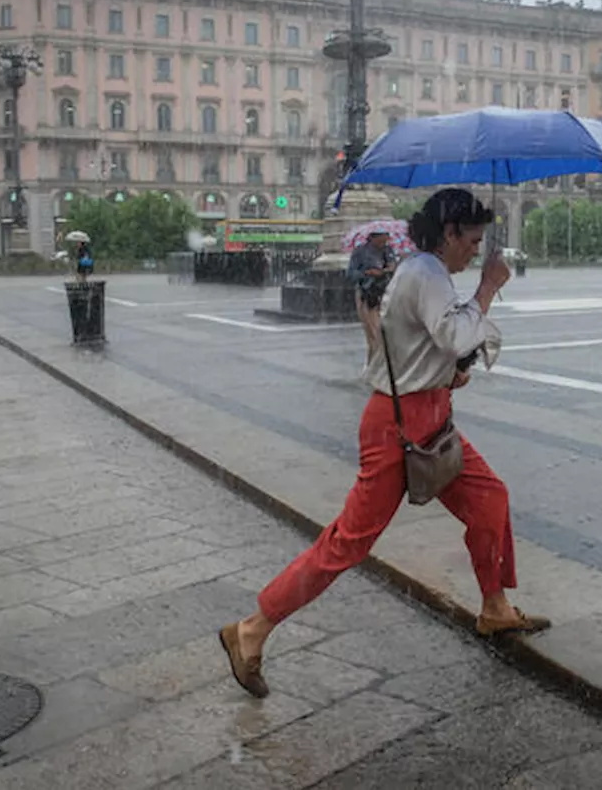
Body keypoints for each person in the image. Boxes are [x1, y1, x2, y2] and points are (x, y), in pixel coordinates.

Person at [219, 188, 548, 699]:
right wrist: (487, 288)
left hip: (428, 417)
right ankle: (252, 628)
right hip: (398, 428)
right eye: (473, 241)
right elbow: (457, 336)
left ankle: (494, 607)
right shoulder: (423, 273)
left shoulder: (427, 273)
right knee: (349, 541)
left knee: (490, 499)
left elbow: (429, 347)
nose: (477, 251)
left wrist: (449, 373)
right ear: (449, 233)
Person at [348, 230, 396, 358]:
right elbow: (351, 273)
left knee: (384, 333)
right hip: (367, 293)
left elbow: (393, 268)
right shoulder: (360, 252)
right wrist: (368, 273)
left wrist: (386, 270)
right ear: (374, 237)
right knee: (373, 334)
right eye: (382, 240)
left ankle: (377, 365)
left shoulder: (388, 250)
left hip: (384, 293)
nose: (385, 242)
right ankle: (375, 365)